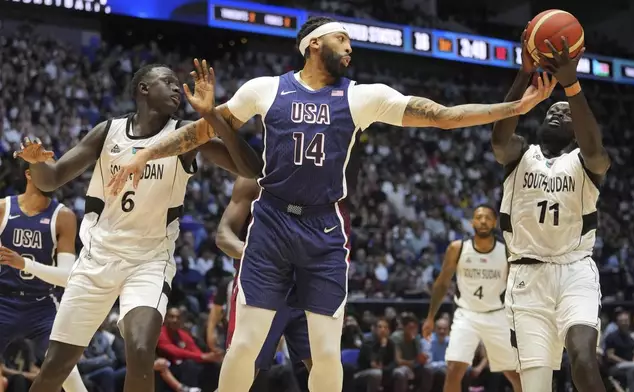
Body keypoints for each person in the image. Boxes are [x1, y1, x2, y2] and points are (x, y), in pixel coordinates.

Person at [108, 17, 555, 392]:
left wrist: (517, 104)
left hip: (323, 231)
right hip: (271, 224)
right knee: (245, 343)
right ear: (314, 44)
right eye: (344, 40)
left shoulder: (361, 96)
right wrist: (143, 155)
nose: (350, 50)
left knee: (325, 352)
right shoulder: (264, 89)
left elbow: (443, 115)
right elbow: (197, 134)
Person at [13, 62, 261, 392]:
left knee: (142, 349)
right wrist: (36, 162)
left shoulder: (185, 134)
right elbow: (52, 178)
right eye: (168, 82)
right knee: (56, 366)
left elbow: (252, 169)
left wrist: (212, 115)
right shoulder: (107, 131)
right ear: (143, 89)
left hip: (149, 261)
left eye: (178, 84)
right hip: (97, 258)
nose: (177, 88)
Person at [491, 26, 611, 392]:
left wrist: (571, 86)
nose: (557, 111)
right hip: (527, 277)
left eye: (566, 112)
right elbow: (498, 138)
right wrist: (524, 73)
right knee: (537, 384)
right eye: (551, 109)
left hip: (574, 271)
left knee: (584, 361)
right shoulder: (519, 155)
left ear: (577, 132)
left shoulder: (586, 162)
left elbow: (594, 149)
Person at [211, 176, 312, 389]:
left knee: (324, 366)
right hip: (263, 283)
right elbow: (223, 235)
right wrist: (253, 255)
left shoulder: (317, 175)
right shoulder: (253, 177)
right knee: (242, 373)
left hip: (306, 284)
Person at [0, 161, 87, 392]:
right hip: (3, 300)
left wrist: (24, 263)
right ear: (29, 174)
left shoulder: (64, 216)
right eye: (46, 170)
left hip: (41, 305)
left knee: (67, 372)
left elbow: (67, 277)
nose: (53, 174)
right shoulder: (3, 209)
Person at [422, 205, 522, 392]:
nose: (483, 221)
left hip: (497, 315)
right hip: (466, 315)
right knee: (453, 370)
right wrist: (430, 317)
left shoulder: (507, 250)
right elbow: (442, 283)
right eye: (478, 217)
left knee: (516, 373)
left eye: (487, 218)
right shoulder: (457, 248)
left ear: (494, 222)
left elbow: (516, 288)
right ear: (472, 222)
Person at [605, 311, 634, 392]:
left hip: (629, 365)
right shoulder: (612, 337)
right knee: (633, 367)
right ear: (617, 323)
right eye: (622, 321)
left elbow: (632, 354)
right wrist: (628, 362)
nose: (625, 323)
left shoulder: (630, 338)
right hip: (614, 367)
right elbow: (610, 356)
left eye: (626, 321)